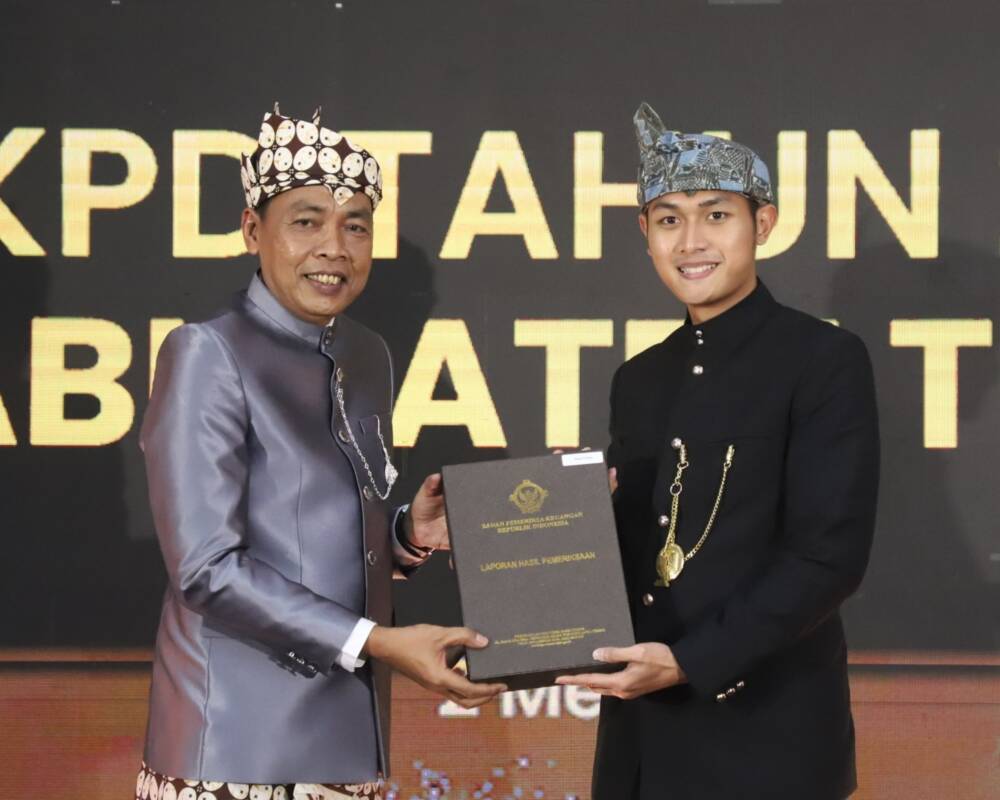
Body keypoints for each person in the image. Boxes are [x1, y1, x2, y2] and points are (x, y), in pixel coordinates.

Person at [134, 104, 505, 800]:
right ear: (253, 229)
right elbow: (206, 569)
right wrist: (378, 641)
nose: (335, 247)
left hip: (349, 749)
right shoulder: (206, 353)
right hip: (236, 750)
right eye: (306, 222)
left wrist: (407, 535)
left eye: (355, 226)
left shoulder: (366, 354)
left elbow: (317, 537)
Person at [557, 102, 880, 799]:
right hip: (641, 745)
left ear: (762, 224)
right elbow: (640, 550)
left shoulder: (823, 359)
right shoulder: (639, 377)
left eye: (716, 215)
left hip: (769, 744)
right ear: (645, 234)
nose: (691, 242)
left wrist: (689, 661)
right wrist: (564, 520)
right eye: (669, 220)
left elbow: (828, 558)